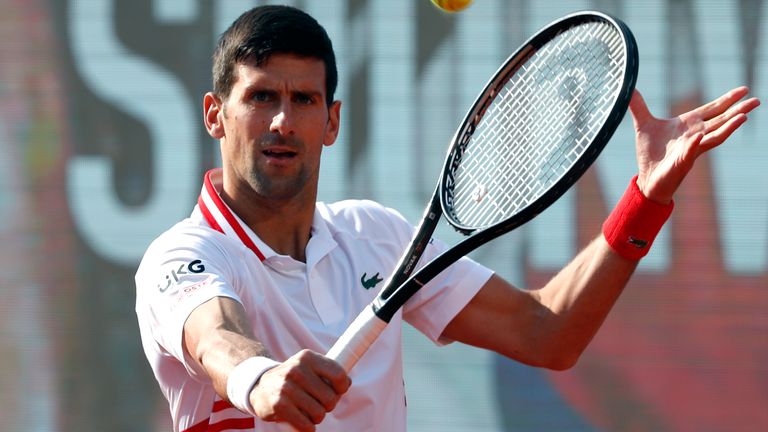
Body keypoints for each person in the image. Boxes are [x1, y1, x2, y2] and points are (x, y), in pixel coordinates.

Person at [134, 5, 760, 432]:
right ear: (215, 115)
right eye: (261, 97)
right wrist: (260, 377)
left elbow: (548, 332)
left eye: (304, 100)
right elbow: (215, 336)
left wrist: (646, 196)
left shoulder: (374, 236)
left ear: (332, 122)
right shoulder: (183, 256)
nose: (281, 121)